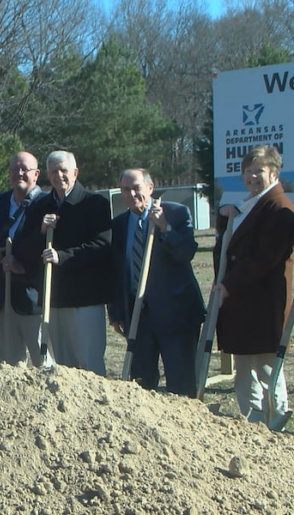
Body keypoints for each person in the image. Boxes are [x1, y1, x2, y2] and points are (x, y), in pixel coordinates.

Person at [108, 169, 205, 396]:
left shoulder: (176, 213)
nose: (131, 194)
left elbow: (186, 253)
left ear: (150, 188)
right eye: (125, 189)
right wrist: (116, 312)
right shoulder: (119, 225)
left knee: (181, 383)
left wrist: (165, 227)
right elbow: (116, 272)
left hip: (176, 313)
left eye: (136, 188)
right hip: (138, 315)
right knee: (141, 382)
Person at [15, 150, 112, 376]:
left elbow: (102, 245)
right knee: (62, 367)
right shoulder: (40, 207)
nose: (59, 175)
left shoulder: (93, 203)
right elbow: (24, 249)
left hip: (85, 300)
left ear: (75, 172)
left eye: (64, 170)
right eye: (53, 171)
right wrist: (40, 231)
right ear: (47, 175)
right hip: (53, 298)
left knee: (88, 363)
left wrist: (63, 256)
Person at [214, 145, 294, 422]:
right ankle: (252, 422)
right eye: (248, 171)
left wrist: (229, 284)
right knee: (244, 365)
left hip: (262, 302)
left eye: (258, 170)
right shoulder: (250, 204)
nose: (252, 176)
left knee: (266, 367)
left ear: (273, 172)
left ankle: (276, 419)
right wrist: (223, 219)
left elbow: (265, 258)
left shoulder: (279, 207)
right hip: (242, 304)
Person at [0, 152, 47, 366]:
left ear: (36, 174)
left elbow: (43, 245)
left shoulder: (45, 204)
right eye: (14, 169)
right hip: (2, 296)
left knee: (44, 363)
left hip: (32, 297)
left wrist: (17, 262)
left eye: (24, 169)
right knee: (7, 364)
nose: (19, 173)